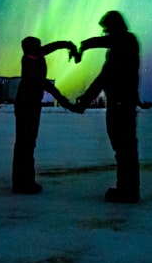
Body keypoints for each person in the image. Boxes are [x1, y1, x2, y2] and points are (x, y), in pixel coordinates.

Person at [74, 11, 141, 203]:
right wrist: (86, 100)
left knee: (124, 146)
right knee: (121, 146)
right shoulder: (116, 50)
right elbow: (104, 78)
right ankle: (126, 189)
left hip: (122, 103)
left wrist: (87, 44)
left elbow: (112, 45)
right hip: (118, 102)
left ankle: (128, 191)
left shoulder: (127, 41)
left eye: (107, 30)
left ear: (115, 27)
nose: (105, 34)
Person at [12, 36, 80, 194]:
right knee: (25, 144)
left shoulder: (37, 54)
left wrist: (68, 44)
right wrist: (65, 101)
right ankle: (23, 184)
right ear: (28, 50)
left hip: (32, 104)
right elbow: (45, 84)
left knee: (27, 144)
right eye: (34, 49)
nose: (38, 52)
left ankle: (23, 181)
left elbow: (53, 46)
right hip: (26, 106)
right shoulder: (29, 64)